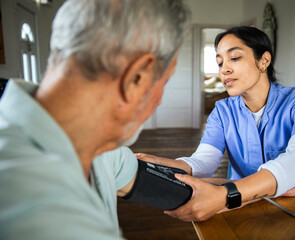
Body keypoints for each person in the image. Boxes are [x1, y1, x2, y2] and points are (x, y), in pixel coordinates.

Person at [0, 0, 191, 239]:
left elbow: (151, 182)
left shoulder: (95, 144)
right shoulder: (44, 217)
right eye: (166, 81)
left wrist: (234, 193)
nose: (160, 100)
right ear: (137, 79)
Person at [136, 26, 295, 221]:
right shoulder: (222, 111)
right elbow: (204, 162)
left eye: (235, 58)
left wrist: (227, 194)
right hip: (240, 205)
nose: (224, 69)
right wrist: (163, 163)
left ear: (264, 60)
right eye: (220, 63)